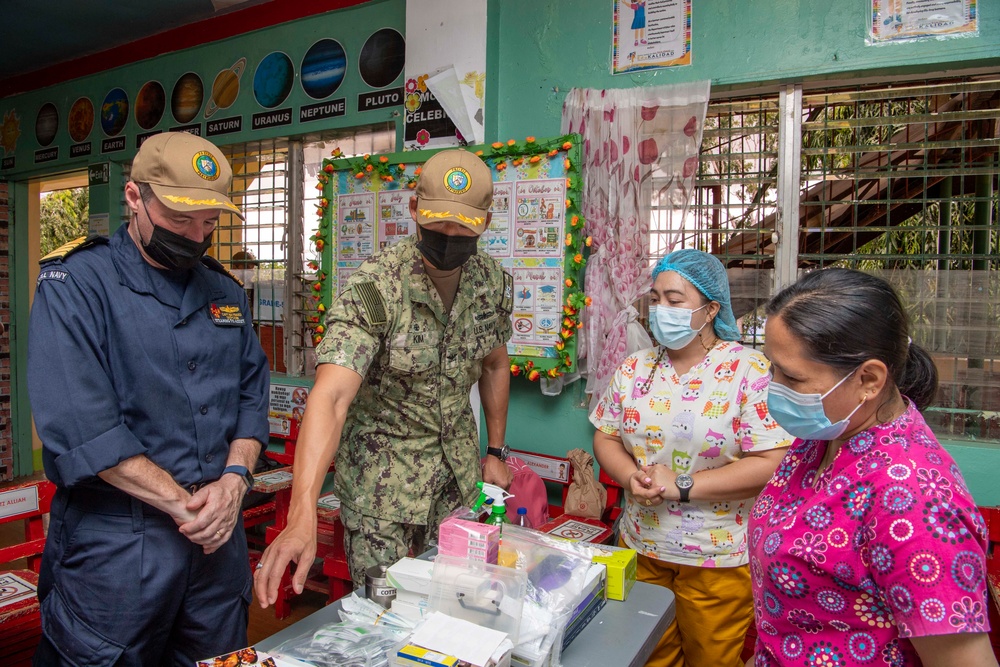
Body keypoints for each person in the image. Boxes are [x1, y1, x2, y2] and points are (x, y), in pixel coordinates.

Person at [27, 132, 271, 665]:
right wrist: (187, 505)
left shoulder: (223, 291)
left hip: (215, 547)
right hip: (116, 548)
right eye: (181, 220)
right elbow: (80, 426)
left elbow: (253, 395)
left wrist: (233, 482)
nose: (196, 236)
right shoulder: (76, 283)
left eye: (209, 223)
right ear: (135, 197)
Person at [255, 149, 514, 604]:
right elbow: (332, 396)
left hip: (457, 480)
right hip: (381, 493)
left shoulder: (490, 283)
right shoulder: (376, 288)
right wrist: (302, 510)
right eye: (437, 223)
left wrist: (495, 449)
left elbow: (493, 363)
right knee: (385, 618)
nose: (449, 236)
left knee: (455, 606)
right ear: (414, 209)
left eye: (463, 227)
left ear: (486, 222)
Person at [749, 269, 996, 667]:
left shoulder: (914, 503)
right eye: (772, 367)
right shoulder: (826, 436)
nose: (772, 387)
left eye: (791, 377)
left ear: (869, 379)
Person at [591, 249, 794, 667]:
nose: (660, 309)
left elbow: (772, 460)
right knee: (648, 655)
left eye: (674, 300)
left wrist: (682, 486)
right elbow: (606, 437)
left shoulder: (748, 371)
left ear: (710, 308)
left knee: (711, 660)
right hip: (643, 545)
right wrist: (630, 478)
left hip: (715, 557)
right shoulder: (635, 368)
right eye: (656, 298)